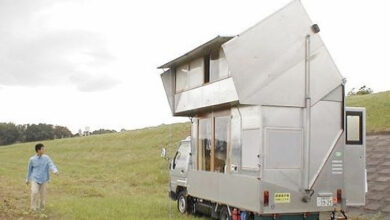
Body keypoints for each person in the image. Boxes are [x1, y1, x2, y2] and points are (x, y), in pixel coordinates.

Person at [26, 143, 59, 211]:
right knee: (34, 192)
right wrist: (27, 179)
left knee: (43, 195)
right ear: (38, 150)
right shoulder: (32, 159)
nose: (44, 150)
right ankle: (33, 208)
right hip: (35, 179)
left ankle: (42, 208)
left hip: (44, 179)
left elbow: (51, 164)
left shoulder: (46, 158)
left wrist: (55, 171)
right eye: (42, 149)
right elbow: (29, 170)